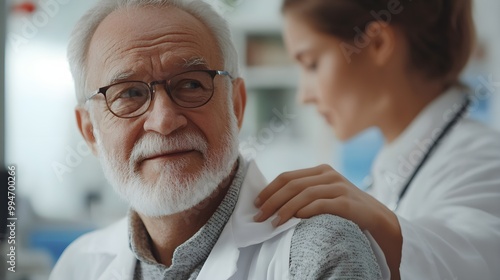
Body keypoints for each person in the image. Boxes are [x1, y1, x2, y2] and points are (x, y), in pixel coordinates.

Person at [49, 0, 384, 279]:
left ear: (236, 105)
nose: (164, 121)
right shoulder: (77, 266)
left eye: (192, 84)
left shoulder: (319, 255)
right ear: (91, 132)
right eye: (130, 93)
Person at [252, 0, 500, 279]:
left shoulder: (485, 159)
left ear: (379, 43)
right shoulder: (393, 164)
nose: (304, 96)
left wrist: (377, 221)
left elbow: (479, 263)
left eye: (312, 64)